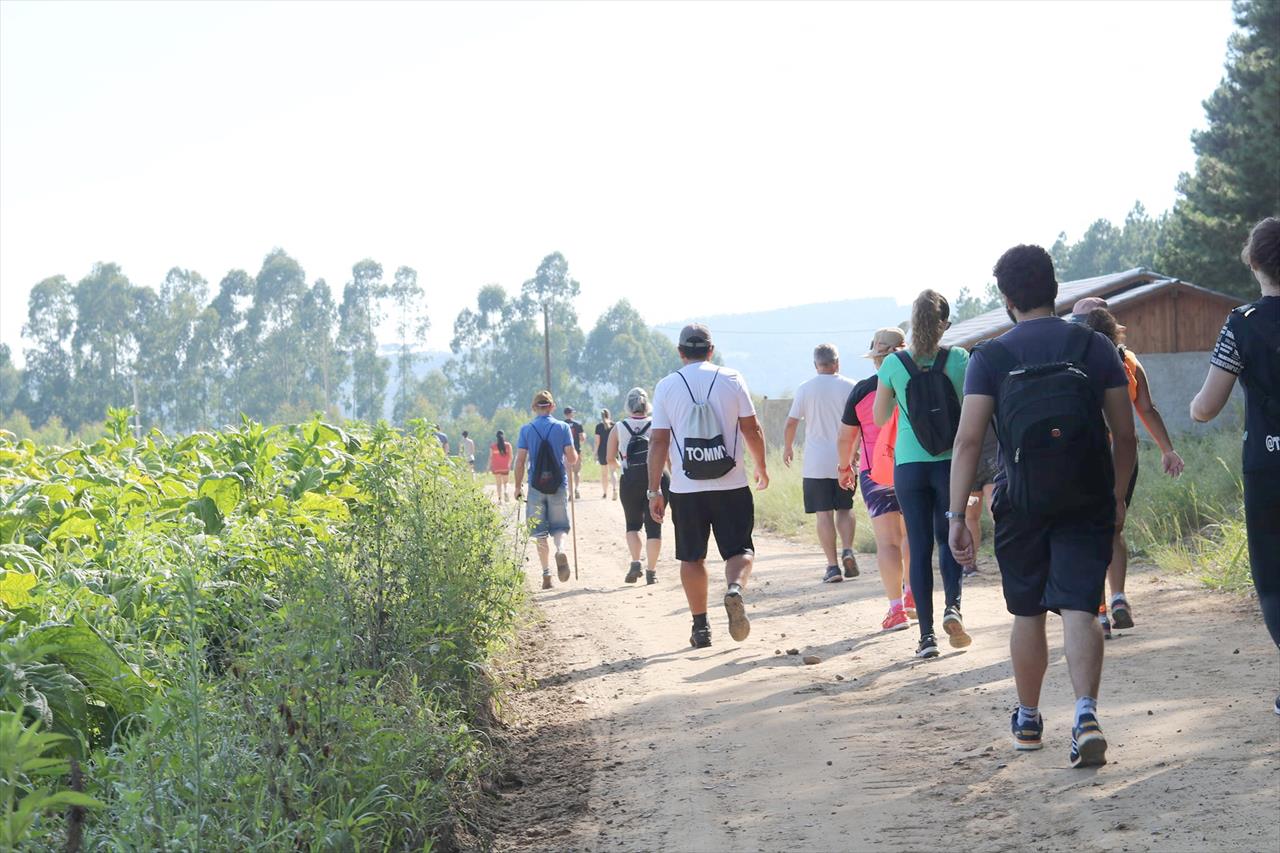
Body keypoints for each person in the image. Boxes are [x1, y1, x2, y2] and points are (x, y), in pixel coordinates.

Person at [949, 244, 1135, 768]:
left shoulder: (990, 357)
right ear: (1055, 288)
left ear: (1006, 298)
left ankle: (1029, 719)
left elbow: (967, 443)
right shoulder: (1095, 347)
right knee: (1080, 604)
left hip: (1020, 500)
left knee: (1028, 611)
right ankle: (1085, 713)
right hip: (1086, 496)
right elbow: (1124, 435)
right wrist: (1116, 497)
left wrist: (955, 518)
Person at [1190, 216, 1280, 716]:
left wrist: (1191, 410)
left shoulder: (1241, 323)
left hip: (1267, 463)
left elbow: (1207, 406)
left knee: (1273, 576)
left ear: (1253, 262)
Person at [648, 323, 769, 649]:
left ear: (681, 352)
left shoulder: (666, 386)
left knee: (692, 558)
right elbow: (752, 429)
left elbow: (658, 442)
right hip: (731, 484)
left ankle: (701, 627)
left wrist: (655, 490)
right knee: (739, 549)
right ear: (711, 350)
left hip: (686, 490)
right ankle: (734, 590)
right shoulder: (732, 379)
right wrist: (761, 466)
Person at [1077, 303, 1185, 637]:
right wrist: (1168, 448)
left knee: (1085, 536)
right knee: (1114, 527)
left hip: (1085, 456)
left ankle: (1098, 615)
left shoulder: (1075, 362)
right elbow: (1146, 409)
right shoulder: (1128, 360)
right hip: (1124, 456)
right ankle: (1119, 597)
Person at [874, 290, 970, 658]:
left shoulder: (894, 364)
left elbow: (881, 417)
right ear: (944, 324)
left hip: (910, 466)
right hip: (950, 464)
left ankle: (926, 637)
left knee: (918, 543)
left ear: (912, 324)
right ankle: (953, 608)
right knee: (949, 539)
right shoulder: (959, 359)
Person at [837, 327, 916, 632]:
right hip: (914, 468)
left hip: (876, 473)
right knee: (912, 536)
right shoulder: (914, 381)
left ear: (875, 357)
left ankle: (895, 610)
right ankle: (912, 596)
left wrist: (844, 468)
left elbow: (846, 438)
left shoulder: (861, 391)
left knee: (888, 542)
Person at [784, 344, 860, 583]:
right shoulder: (851, 386)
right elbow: (860, 424)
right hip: (845, 457)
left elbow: (791, 422)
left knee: (823, 513)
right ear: (837, 363)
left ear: (816, 364)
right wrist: (856, 451)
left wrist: (787, 447)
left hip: (816, 461)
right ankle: (848, 549)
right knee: (845, 508)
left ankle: (832, 566)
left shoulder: (805, 389)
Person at [514, 391, 579, 590]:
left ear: (534, 408)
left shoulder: (526, 429)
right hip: (558, 484)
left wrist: (517, 486)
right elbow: (572, 458)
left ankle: (546, 574)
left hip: (535, 486)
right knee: (559, 527)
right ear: (552, 406)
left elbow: (520, 461)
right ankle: (560, 549)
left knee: (539, 531)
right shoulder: (562, 427)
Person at [608, 388, 668, 585]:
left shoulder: (618, 427)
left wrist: (624, 465)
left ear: (628, 405)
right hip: (657, 479)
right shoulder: (656, 424)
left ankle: (635, 563)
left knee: (632, 525)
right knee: (654, 526)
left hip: (630, 481)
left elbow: (609, 459)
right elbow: (668, 454)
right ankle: (652, 572)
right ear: (646, 405)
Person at [962, 423, 999, 578]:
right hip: (993, 458)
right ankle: (1007, 560)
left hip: (967, 461)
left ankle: (969, 565)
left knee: (970, 517)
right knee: (997, 515)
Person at [595, 409, 618, 500]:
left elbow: (597, 441)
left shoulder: (598, 426)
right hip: (613, 450)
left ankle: (605, 493)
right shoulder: (614, 425)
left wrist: (595, 452)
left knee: (604, 473)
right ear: (609, 415)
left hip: (602, 451)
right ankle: (614, 489)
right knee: (613, 471)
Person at [563, 406, 586, 500]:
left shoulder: (562, 424)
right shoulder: (578, 424)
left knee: (568, 473)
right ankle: (576, 489)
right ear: (571, 413)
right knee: (576, 472)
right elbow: (582, 439)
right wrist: (584, 435)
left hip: (565, 452)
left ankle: (570, 493)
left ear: (565, 414)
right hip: (576, 450)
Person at [490, 430, 512, 502]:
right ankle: (506, 491)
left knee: (498, 484)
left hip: (496, 468)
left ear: (496, 437)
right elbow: (511, 456)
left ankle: (500, 500)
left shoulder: (493, 446)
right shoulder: (508, 445)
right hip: (505, 467)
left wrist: (489, 466)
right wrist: (509, 464)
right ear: (503, 436)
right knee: (506, 482)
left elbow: (491, 457)